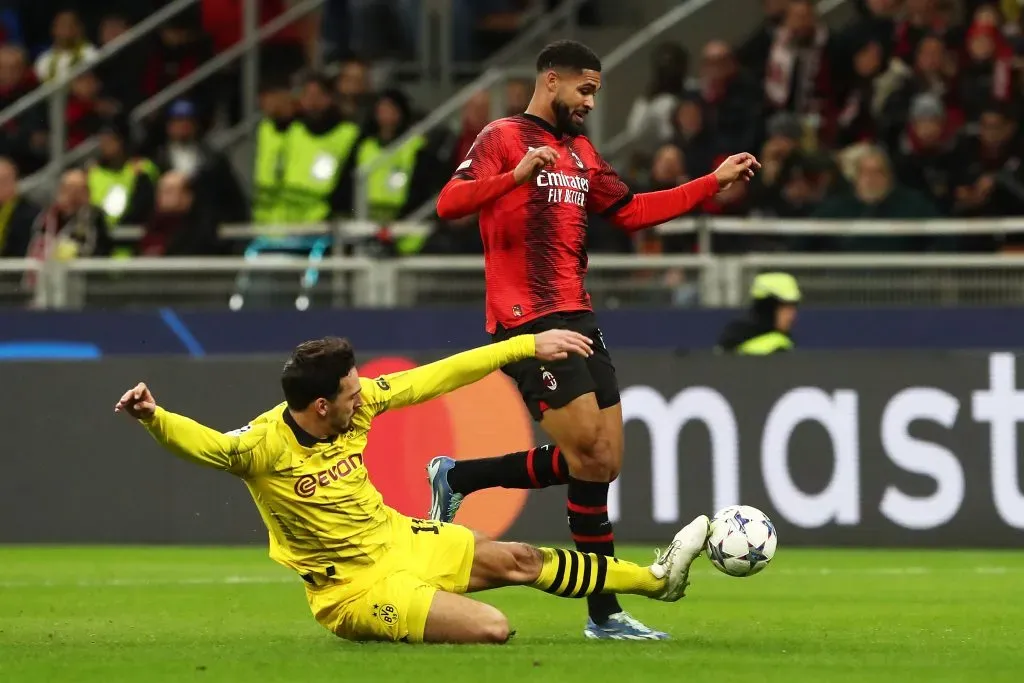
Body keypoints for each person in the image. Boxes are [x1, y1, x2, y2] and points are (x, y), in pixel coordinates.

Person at [430, 39, 759, 640]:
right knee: (586, 455)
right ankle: (604, 611)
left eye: (595, 93)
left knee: (603, 463)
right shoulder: (502, 136)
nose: (589, 103)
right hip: (526, 318)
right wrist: (512, 177)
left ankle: (461, 479)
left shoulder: (580, 150)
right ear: (551, 80)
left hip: (579, 314)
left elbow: (631, 210)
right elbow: (448, 202)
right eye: (584, 90)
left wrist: (711, 182)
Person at [114, 332, 711, 644]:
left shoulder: (360, 401)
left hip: (399, 538)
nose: (364, 394)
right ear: (320, 407)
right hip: (350, 590)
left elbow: (439, 377)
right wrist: (153, 417)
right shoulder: (264, 447)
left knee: (522, 558)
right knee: (492, 627)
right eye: (350, 393)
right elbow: (209, 445)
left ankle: (656, 582)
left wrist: (524, 348)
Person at [716, 272, 800, 354]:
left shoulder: (729, 337)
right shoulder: (778, 347)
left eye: (793, 307)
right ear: (767, 309)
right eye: (785, 308)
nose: (792, 315)